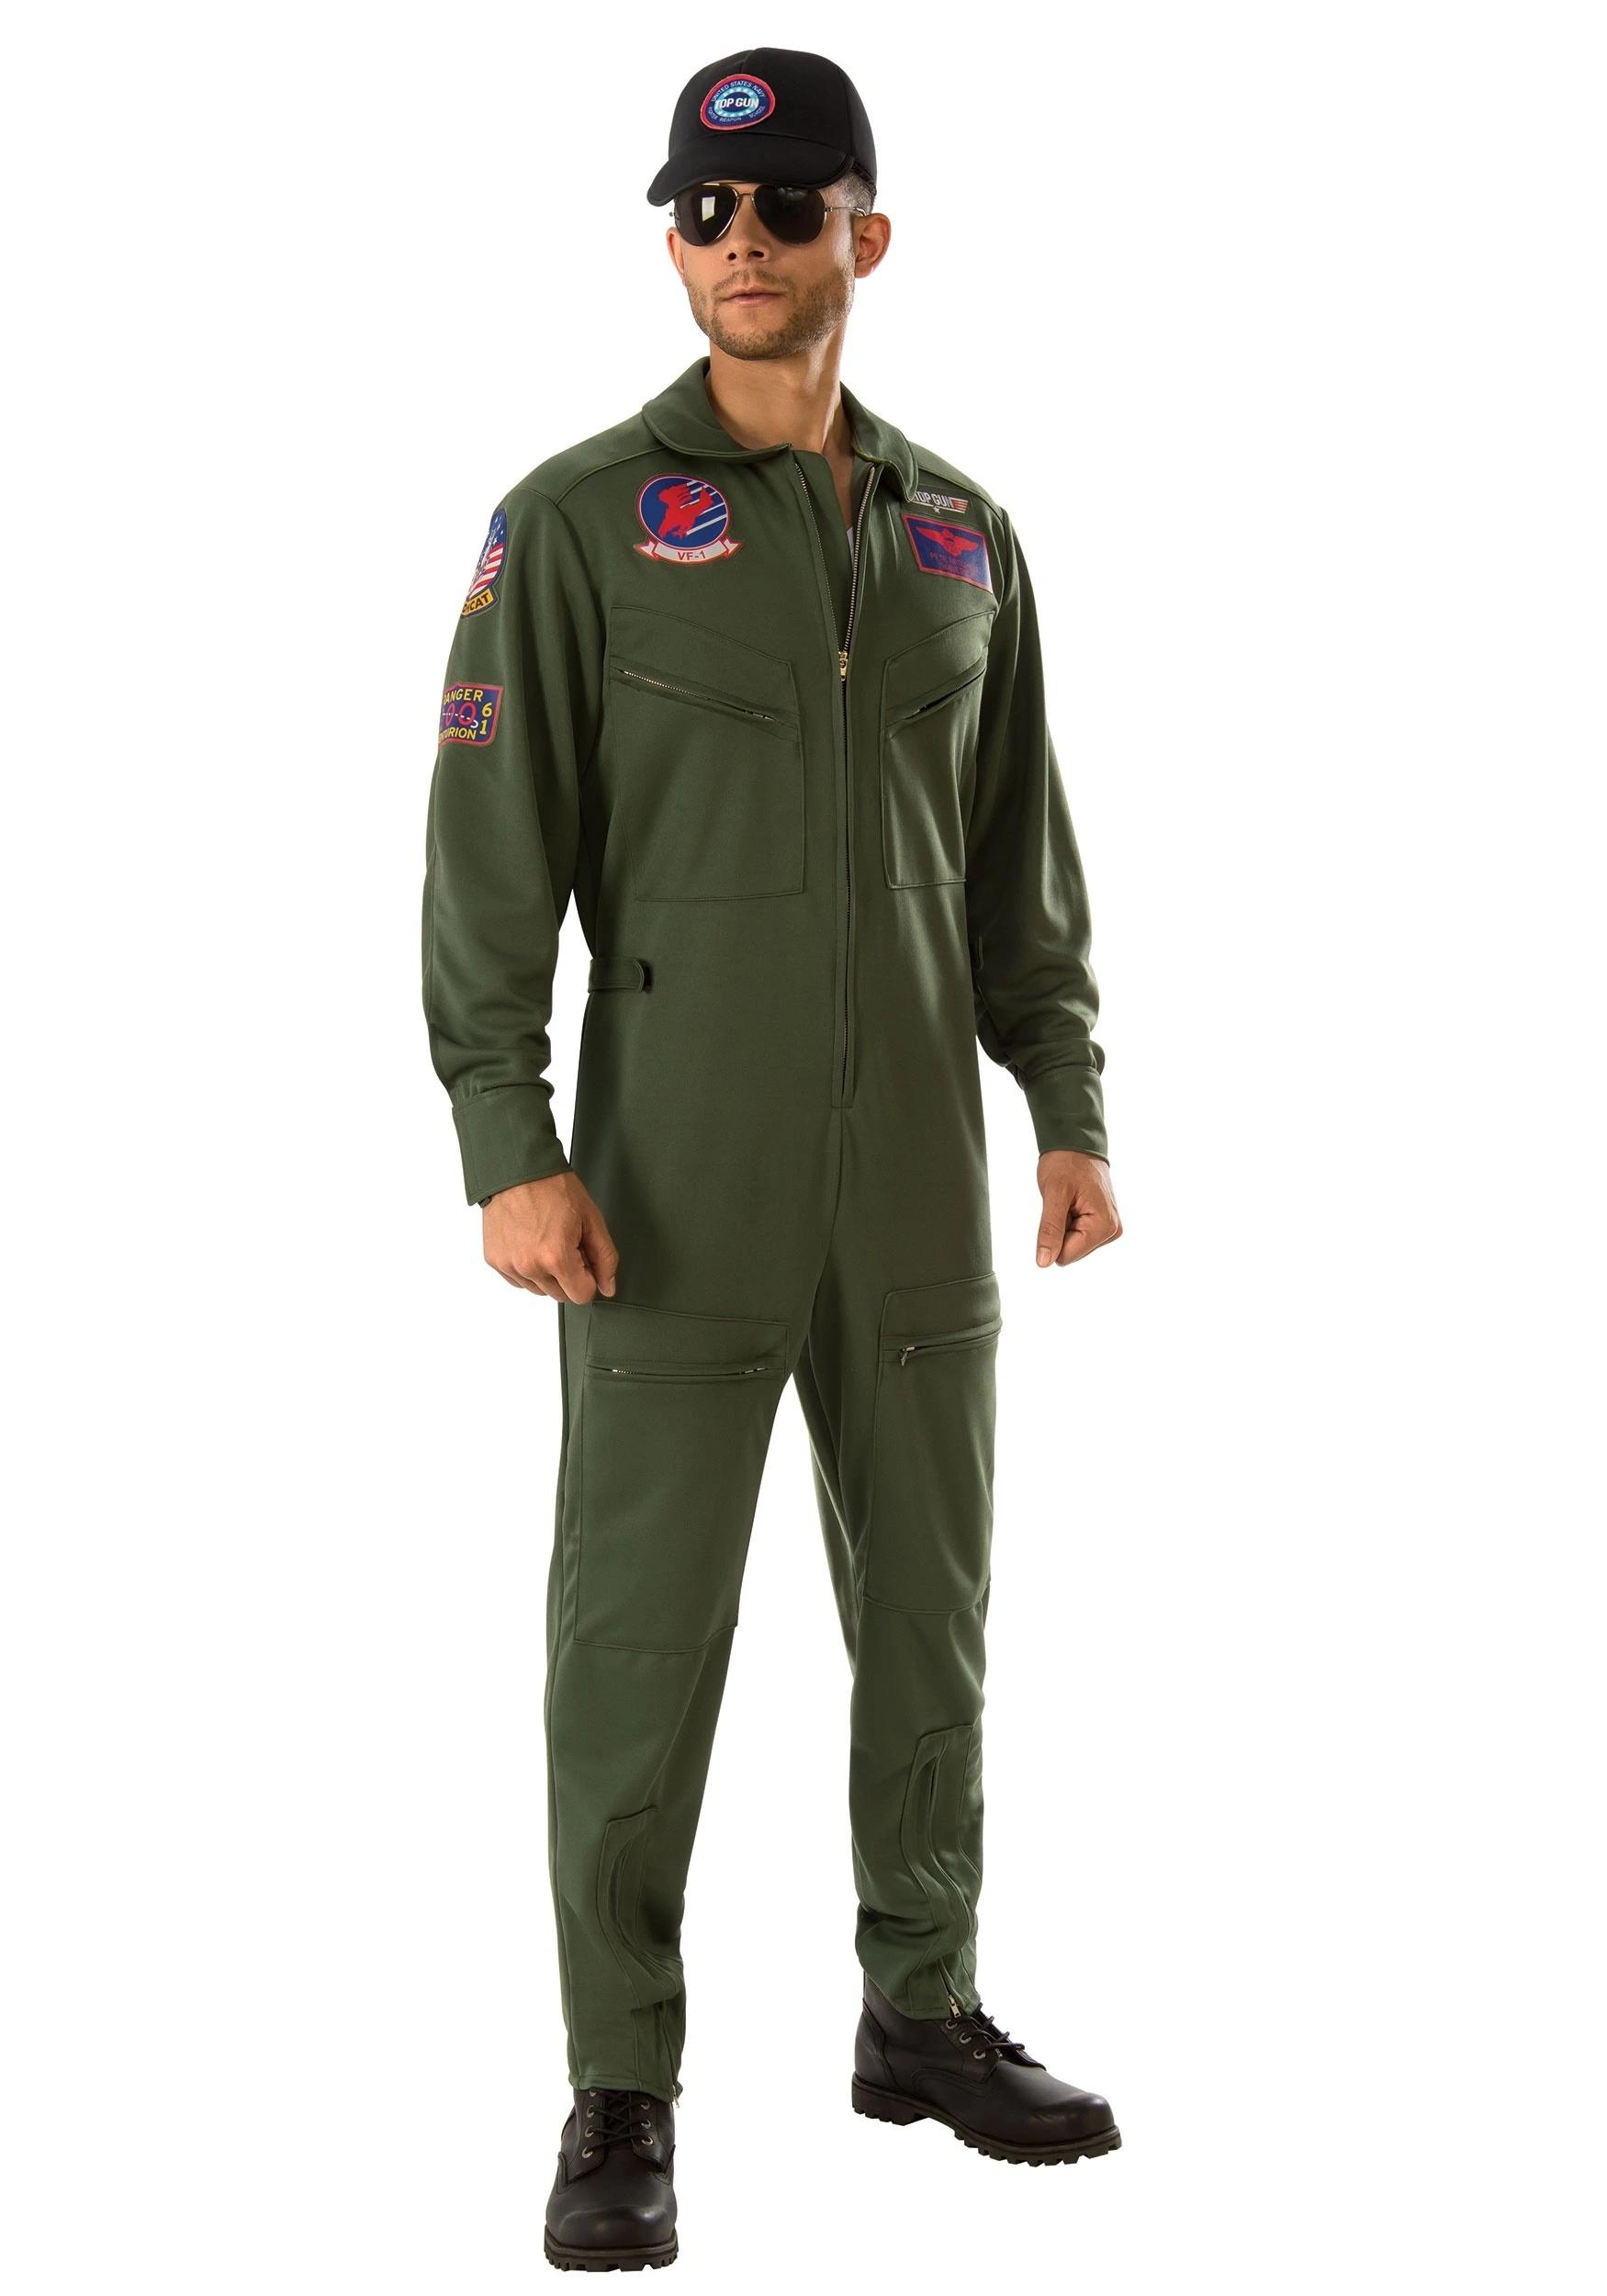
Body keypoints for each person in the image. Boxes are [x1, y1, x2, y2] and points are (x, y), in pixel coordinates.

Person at [421, 45, 1124, 2274]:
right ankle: (618, 2081)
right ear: (673, 242)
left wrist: (1066, 1102)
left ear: (862, 237)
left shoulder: (958, 535)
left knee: (929, 1608)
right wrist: (508, 1141)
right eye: (704, 211)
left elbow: (1017, 862)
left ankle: (919, 2006)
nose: (741, 244)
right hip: (667, 1183)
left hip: (914, 1171)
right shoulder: (573, 525)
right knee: (637, 1639)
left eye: (787, 207)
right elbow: (486, 862)